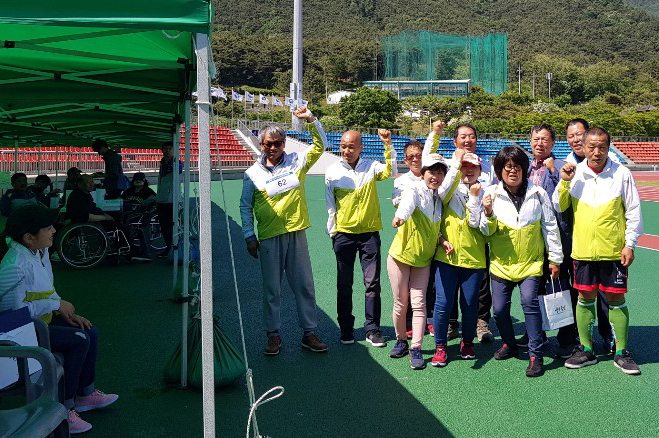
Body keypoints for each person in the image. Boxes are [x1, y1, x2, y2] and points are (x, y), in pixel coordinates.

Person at [0, 204, 118, 434]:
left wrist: (64, 310)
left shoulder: (40, 252)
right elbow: (13, 317)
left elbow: (47, 289)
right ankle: (65, 407)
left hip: (42, 322)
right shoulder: (14, 266)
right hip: (22, 334)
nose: (54, 230)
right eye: (48, 228)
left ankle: (85, 394)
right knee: (78, 340)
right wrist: (55, 305)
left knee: (90, 331)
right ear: (28, 237)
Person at [553, 127, 643, 375]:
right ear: (583, 147)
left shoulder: (621, 173)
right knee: (584, 298)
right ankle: (586, 349)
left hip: (613, 251)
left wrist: (630, 243)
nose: (596, 152)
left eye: (602, 147)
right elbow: (558, 205)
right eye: (591, 147)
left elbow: (633, 210)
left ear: (608, 147)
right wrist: (564, 181)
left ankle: (621, 352)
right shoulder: (575, 173)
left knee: (616, 300)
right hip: (583, 252)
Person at [240, 107, 328, 355]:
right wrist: (249, 235)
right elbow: (245, 206)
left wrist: (311, 120)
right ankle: (273, 335)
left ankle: (309, 333)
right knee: (272, 290)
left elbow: (321, 146)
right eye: (268, 144)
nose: (273, 147)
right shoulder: (251, 174)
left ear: (284, 143)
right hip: (269, 236)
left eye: (278, 143)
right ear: (261, 144)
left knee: (304, 286)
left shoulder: (297, 161)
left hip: (296, 233)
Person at [481, 146, 563, 377]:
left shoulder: (538, 193)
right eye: (507, 167)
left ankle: (536, 353)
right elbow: (485, 232)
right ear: (499, 171)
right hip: (501, 264)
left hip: (531, 263)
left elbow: (550, 226)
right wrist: (488, 213)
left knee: (529, 302)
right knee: (499, 310)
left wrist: (555, 258)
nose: (512, 171)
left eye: (517, 167)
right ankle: (509, 343)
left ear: (524, 169)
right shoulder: (491, 194)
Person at [388, 152, 461, 370]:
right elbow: (407, 205)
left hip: (423, 261)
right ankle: (401, 340)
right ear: (423, 173)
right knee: (401, 303)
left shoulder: (439, 199)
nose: (435, 177)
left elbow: (432, 228)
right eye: (431, 172)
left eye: (440, 173)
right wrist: (400, 217)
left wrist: (442, 240)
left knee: (419, 304)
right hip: (400, 257)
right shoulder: (414, 190)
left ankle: (416, 348)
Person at [325, 128, 396, 347]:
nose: (346, 151)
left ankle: (372, 329)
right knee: (344, 285)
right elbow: (330, 205)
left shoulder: (371, 166)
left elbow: (390, 171)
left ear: (360, 148)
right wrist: (333, 232)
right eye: (343, 146)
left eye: (351, 147)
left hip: (369, 236)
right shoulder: (332, 171)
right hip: (344, 235)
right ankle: (346, 330)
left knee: (372, 284)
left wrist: (387, 145)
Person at [520, 123, 579, 357]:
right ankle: (537, 333)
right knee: (534, 287)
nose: (539, 143)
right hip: (531, 240)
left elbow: (563, 200)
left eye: (545, 139)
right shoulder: (524, 168)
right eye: (536, 139)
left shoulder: (563, 167)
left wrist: (554, 172)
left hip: (557, 238)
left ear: (553, 143)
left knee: (561, 286)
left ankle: (566, 336)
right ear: (530, 142)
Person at [563, 118, 617, 353]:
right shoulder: (565, 165)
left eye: (579, 134)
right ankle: (581, 338)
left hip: (604, 244)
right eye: (571, 136)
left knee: (606, 294)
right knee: (580, 292)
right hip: (574, 241)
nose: (576, 139)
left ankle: (608, 335)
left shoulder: (613, 166)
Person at [432, 152, 489, 367]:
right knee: (443, 303)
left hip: (473, 258)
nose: (469, 170)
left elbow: (476, 224)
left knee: (469, 304)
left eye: (473, 167)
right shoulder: (450, 188)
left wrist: (474, 198)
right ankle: (440, 346)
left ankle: (467, 342)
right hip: (446, 257)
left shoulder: (487, 192)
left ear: (480, 171)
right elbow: (442, 192)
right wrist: (456, 163)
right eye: (465, 166)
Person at [445, 124, 496, 344]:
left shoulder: (488, 168)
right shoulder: (448, 165)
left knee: (482, 283)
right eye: (463, 136)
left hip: (480, 235)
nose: (468, 140)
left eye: (472, 136)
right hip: (452, 236)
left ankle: (481, 322)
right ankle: (451, 322)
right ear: (455, 141)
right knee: (451, 283)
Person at [392, 120, 442, 338]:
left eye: (418, 155)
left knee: (428, 286)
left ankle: (428, 320)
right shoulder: (403, 182)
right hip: (410, 242)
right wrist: (402, 211)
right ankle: (408, 324)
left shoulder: (434, 180)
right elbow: (400, 202)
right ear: (405, 159)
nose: (414, 159)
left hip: (430, 241)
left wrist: (435, 133)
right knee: (406, 290)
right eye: (410, 156)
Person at [67, 174, 150, 262]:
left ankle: (123, 248)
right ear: (80, 184)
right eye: (88, 182)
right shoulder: (77, 197)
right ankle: (131, 253)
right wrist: (104, 217)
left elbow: (92, 210)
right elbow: (86, 216)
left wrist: (105, 215)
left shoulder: (85, 195)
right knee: (121, 228)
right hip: (89, 224)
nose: (91, 184)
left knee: (118, 222)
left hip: (94, 221)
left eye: (92, 182)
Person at [156, 141, 182, 258]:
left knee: (172, 226)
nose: (167, 150)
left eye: (170, 148)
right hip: (161, 199)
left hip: (172, 200)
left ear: (174, 150)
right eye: (165, 148)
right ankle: (169, 248)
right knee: (164, 227)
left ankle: (175, 249)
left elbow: (179, 171)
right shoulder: (162, 163)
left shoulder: (177, 163)